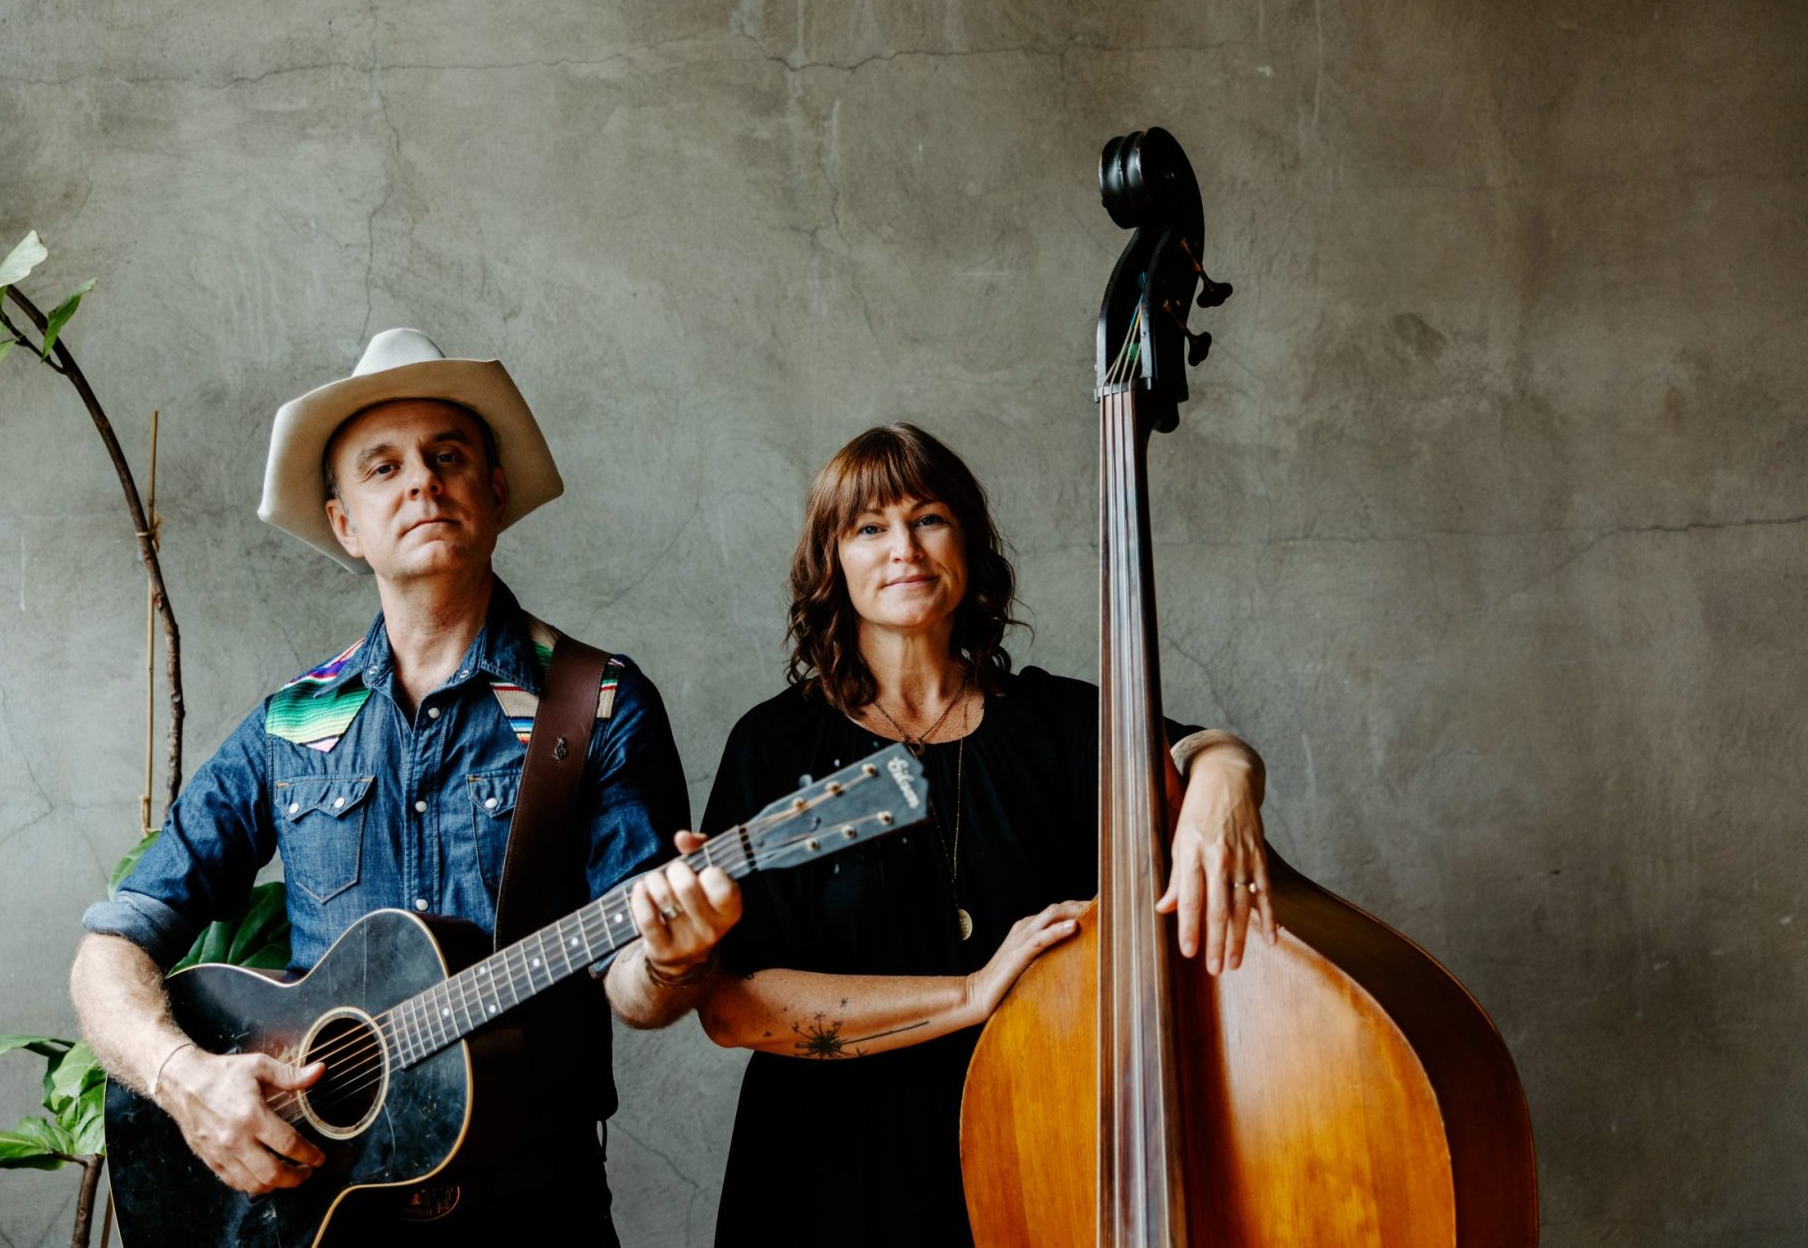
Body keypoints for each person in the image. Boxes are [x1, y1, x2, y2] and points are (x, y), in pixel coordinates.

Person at [70, 329, 740, 1244]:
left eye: (448, 456)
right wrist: (186, 1081)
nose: (421, 481)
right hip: (318, 1211)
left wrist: (676, 955)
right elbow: (109, 951)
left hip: (533, 1210)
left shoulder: (598, 702)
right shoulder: (290, 726)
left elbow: (635, 991)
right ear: (346, 524)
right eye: (382, 467)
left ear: (494, 491)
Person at [693, 422, 1272, 1247]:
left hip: (1032, 1156)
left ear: (967, 543)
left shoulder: (1060, 724)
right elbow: (732, 1008)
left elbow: (1203, 748)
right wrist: (973, 991)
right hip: (823, 1174)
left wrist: (1226, 780)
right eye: (868, 528)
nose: (905, 548)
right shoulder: (775, 746)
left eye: (929, 518)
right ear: (833, 563)